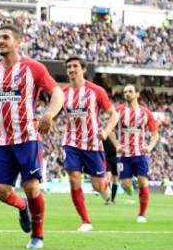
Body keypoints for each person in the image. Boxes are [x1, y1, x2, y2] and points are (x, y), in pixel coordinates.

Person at [0, 24, 64, 250]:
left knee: (31, 186)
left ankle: (37, 236)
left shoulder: (33, 68)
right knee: (0, 191)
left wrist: (49, 114)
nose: (0, 41)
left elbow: (57, 92)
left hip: (28, 137)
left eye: (5, 37)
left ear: (18, 42)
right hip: (2, 141)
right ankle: (22, 207)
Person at [61, 56, 118, 231]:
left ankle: (105, 190)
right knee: (74, 178)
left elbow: (114, 115)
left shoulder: (96, 91)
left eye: (75, 66)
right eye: (69, 67)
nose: (71, 69)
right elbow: (54, 115)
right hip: (71, 143)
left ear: (83, 69)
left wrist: (106, 131)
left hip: (93, 144)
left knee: (97, 185)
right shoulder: (63, 93)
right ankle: (86, 221)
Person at [116, 84, 159, 223]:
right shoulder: (119, 111)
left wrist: (150, 147)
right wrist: (117, 144)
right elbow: (109, 129)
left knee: (143, 181)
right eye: (125, 92)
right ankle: (130, 188)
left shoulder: (145, 113)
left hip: (140, 154)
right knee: (125, 185)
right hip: (124, 155)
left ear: (137, 94)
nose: (127, 94)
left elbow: (155, 134)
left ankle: (141, 215)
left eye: (130, 91)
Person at [103, 133, 119, 204]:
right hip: (107, 158)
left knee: (115, 180)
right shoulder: (104, 134)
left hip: (116, 159)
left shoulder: (116, 133)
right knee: (108, 176)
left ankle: (112, 199)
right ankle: (108, 198)